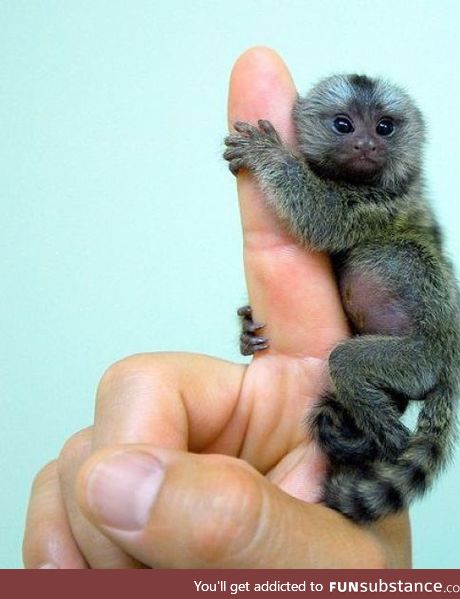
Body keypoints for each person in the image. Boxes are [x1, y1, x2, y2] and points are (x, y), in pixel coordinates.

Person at [23, 47, 411, 569]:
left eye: (384, 128)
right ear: (311, 129)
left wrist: (272, 160)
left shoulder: (388, 210)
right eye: (345, 124)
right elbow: (318, 295)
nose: (365, 140)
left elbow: (325, 228)